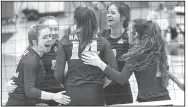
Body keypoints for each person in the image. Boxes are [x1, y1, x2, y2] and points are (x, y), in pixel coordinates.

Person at [82, 19, 184, 103]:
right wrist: (179, 82)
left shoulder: (136, 54)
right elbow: (161, 69)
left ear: (135, 34)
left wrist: (99, 63)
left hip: (147, 102)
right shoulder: (157, 49)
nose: (127, 33)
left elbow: (122, 79)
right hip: (165, 101)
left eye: (129, 31)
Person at [55, 5, 118, 106]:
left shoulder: (64, 41)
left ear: (75, 21)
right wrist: (101, 84)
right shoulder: (103, 41)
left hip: (71, 94)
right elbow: (114, 70)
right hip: (95, 94)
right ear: (94, 20)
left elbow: (57, 75)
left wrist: (68, 86)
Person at [6, 16, 66, 106]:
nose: (52, 33)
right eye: (49, 30)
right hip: (38, 94)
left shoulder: (60, 46)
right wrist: (11, 81)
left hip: (55, 90)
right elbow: (25, 70)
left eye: (56, 29)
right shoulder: (34, 52)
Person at [99, 2, 133, 105]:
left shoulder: (129, 38)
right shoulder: (102, 35)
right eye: (108, 12)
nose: (108, 15)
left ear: (123, 17)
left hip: (121, 92)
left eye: (113, 13)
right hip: (101, 91)